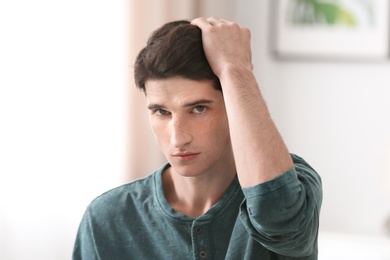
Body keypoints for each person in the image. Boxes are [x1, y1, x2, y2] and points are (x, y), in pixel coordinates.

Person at [73, 17, 322, 259]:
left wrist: (235, 68)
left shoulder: (296, 184)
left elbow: (279, 218)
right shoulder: (106, 218)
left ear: (233, 104)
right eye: (161, 111)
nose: (178, 138)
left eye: (198, 109)